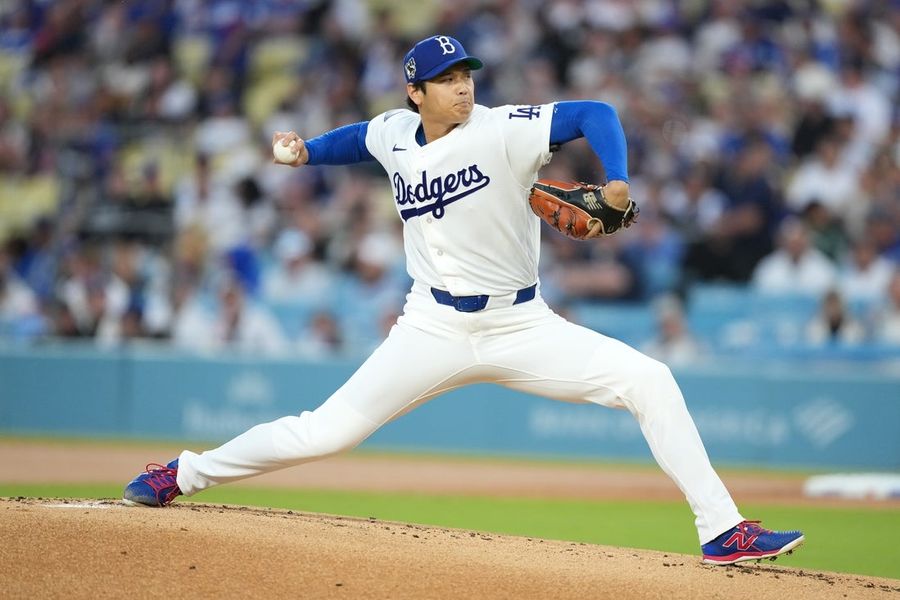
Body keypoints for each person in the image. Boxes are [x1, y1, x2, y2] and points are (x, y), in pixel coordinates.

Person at [123, 35, 803, 565]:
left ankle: (722, 531)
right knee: (326, 431)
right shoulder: (395, 130)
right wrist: (304, 153)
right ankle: (182, 473)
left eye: (467, 75)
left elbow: (596, 112)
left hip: (520, 322)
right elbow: (356, 140)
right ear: (415, 92)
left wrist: (617, 180)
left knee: (649, 379)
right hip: (432, 324)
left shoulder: (503, 128)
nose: (463, 87)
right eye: (447, 80)